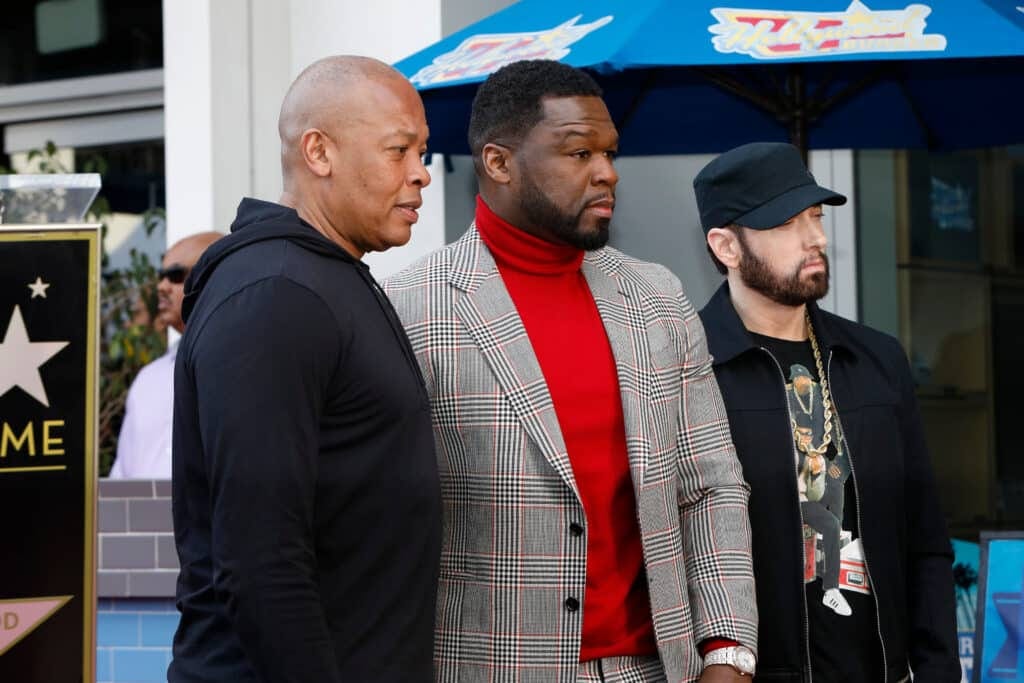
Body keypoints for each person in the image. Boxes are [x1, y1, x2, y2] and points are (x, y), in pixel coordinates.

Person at [384, 59, 757, 683]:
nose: (606, 172)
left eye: (609, 152)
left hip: (657, 667)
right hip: (490, 668)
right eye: (578, 153)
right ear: (499, 163)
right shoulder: (408, 308)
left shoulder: (657, 298)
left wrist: (726, 652)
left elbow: (709, 484)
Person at [168, 55, 441, 683]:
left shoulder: (328, 277)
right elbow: (260, 559)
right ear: (319, 152)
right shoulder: (276, 293)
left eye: (421, 152)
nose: (421, 174)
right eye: (398, 150)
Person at [695, 141, 959, 681]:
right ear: (727, 246)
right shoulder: (688, 371)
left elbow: (926, 541)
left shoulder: (875, 359)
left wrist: (936, 672)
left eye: (815, 216)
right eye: (787, 223)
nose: (816, 237)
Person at [108, 231, 221, 479]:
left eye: (176, 275)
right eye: (161, 276)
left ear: (215, 278)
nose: (162, 286)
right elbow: (123, 474)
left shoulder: (244, 369)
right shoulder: (148, 378)